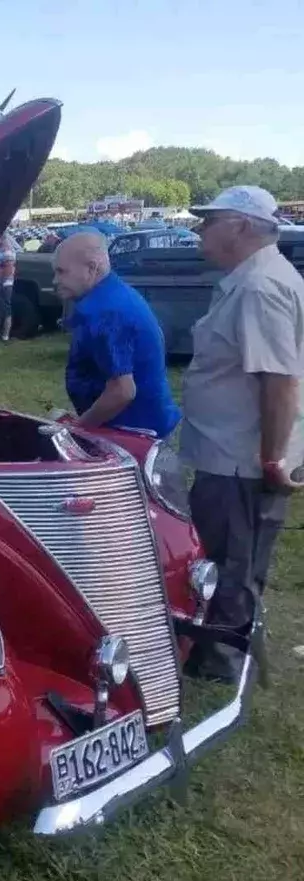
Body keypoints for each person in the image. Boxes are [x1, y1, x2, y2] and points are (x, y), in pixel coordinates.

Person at [178, 185, 304, 682]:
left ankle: (222, 662)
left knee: (232, 559)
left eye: (210, 222)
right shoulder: (256, 278)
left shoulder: (259, 286)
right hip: (233, 452)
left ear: (242, 227)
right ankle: (230, 650)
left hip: (240, 458)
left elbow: (279, 381)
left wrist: (271, 458)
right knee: (235, 555)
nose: (200, 231)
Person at [54, 230, 180, 437]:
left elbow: (122, 391)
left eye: (61, 271)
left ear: (92, 268)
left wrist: (77, 429)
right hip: (138, 424)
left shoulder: (105, 311)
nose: (55, 280)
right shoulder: (112, 294)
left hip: (133, 431)